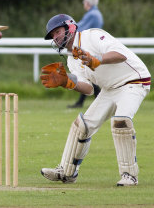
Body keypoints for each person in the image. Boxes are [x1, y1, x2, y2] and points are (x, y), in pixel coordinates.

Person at [40, 14, 150, 186]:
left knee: (121, 121)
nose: (55, 37)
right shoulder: (71, 59)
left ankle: (129, 175)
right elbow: (89, 89)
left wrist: (96, 60)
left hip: (134, 81)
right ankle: (67, 172)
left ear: (70, 27)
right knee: (82, 126)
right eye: (52, 35)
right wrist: (67, 82)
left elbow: (121, 54)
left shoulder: (91, 36)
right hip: (109, 89)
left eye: (57, 32)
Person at [68, 0, 103, 108]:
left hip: (89, 46)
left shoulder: (92, 14)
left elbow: (80, 28)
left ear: (87, 3)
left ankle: (99, 101)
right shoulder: (96, 14)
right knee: (88, 74)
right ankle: (85, 101)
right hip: (94, 45)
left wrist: (67, 30)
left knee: (88, 74)